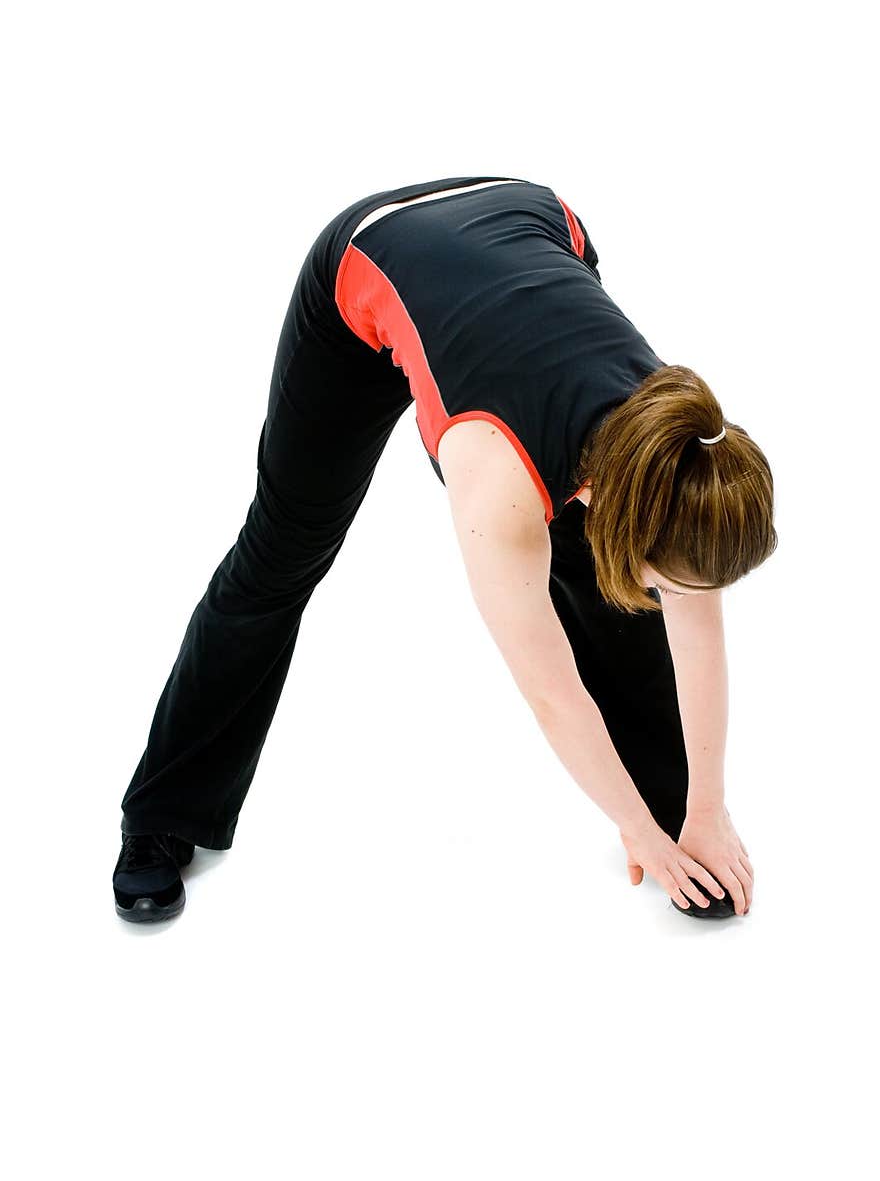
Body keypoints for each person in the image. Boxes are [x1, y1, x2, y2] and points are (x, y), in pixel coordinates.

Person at [113, 175, 776, 924]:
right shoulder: (498, 480)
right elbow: (551, 694)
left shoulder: (684, 454)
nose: (689, 596)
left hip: (530, 221)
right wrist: (632, 832)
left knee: (612, 580)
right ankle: (162, 815)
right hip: (371, 265)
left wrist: (707, 806)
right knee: (280, 552)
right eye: (680, 582)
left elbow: (697, 626)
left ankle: (674, 811)